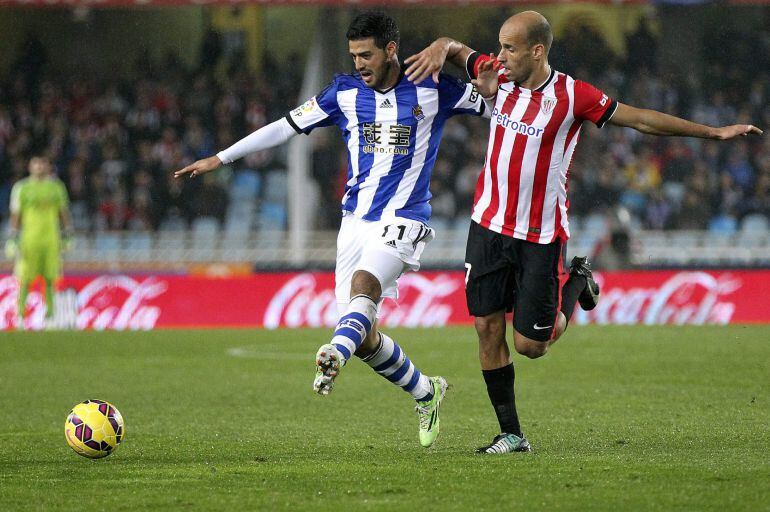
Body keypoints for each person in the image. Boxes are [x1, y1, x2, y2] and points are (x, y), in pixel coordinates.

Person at [405, 10, 762, 454]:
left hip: (540, 235)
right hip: (488, 225)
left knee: (532, 346)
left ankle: (577, 282)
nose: (499, 56)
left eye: (509, 48)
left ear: (537, 51)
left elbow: (640, 119)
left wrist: (712, 133)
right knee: (486, 327)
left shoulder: (574, 96)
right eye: (498, 47)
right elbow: (457, 49)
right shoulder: (496, 72)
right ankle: (512, 434)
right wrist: (441, 47)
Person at [175, 12, 488, 448]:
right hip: (354, 223)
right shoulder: (342, 92)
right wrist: (222, 157)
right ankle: (425, 390)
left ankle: (332, 354)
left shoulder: (433, 86)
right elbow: (283, 127)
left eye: (367, 54)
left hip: (405, 218)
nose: (359, 62)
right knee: (363, 336)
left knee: (364, 290)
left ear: (391, 49)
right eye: (354, 55)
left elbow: (498, 94)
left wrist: (452, 49)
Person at [5, 155, 73, 329]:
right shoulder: (22, 188)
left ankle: (50, 317)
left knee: (51, 278)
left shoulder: (56, 187)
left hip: (51, 240)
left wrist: (68, 234)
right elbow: (15, 215)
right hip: (29, 240)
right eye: (36, 164)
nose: (39, 167)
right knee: (24, 278)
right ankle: (20, 317)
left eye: (43, 164)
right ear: (30, 166)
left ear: (47, 167)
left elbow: (63, 212)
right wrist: (12, 238)